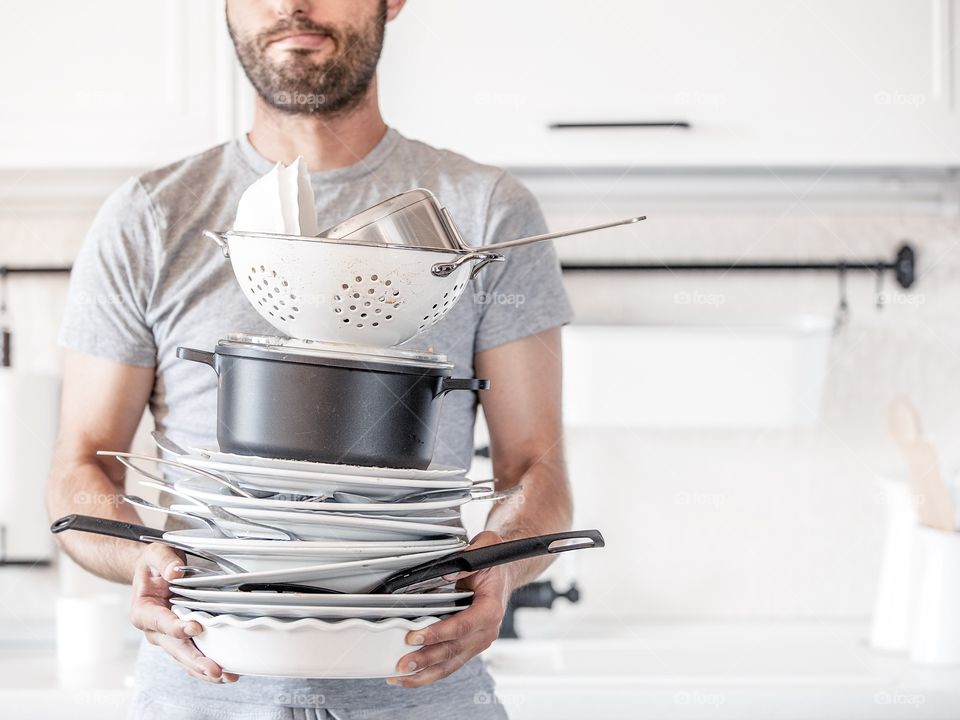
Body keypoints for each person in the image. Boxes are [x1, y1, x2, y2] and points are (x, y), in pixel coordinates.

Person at [47, 1, 574, 718]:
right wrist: (141, 556)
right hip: (203, 690)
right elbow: (79, 470)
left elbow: (537, 470)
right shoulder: (150, 217)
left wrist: (500, 573)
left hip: (421, 688)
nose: (294, 3)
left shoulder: (486, 214)